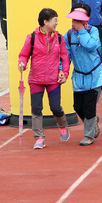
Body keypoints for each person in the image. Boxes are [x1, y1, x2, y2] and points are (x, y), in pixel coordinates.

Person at [17, 8, 71, 149]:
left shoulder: (59, 38)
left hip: (53, 80)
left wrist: (65, 73)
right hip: (36, 79)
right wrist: (22, 64)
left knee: (55, 107)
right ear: (45, 22)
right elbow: (23, 55)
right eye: (55, 20)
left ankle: (62, 125)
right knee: (36, 109)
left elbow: (65, 58)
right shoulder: (32, 37)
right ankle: (39, 137)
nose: (57, 23)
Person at [64, 4, 102, 146]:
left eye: (78, 20)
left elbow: (90, 46)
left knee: (89, 107)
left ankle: (88, 135)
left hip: (95, 76)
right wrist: (63, 71)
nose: (75, 23)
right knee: (78, 107)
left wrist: (82, 31)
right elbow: (65, 56)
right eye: (73, 20)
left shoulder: (93, 31)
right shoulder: (68, 35)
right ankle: (93, 121)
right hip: (79, 77)